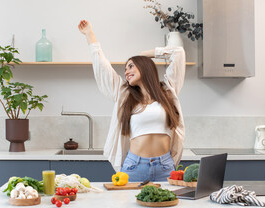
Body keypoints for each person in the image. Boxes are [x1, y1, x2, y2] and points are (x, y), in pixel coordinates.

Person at [78, 20, 185, 182]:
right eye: (125, 68)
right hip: (135, 166)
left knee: (168, 205)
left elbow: (178, 53)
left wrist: (145, 54)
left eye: (131, 66)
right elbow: (102, 66)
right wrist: (89, 35)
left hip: (165, 166)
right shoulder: (124, 94)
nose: (126, 71)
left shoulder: (168, 91)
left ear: (145, 67)